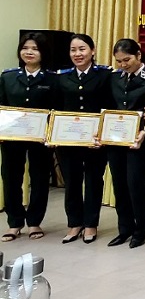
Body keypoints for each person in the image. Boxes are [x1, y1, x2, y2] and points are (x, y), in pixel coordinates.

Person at [107, 38, 145, 248]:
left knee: (136, 183)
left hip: (141, 140)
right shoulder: (114, 78)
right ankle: (124, 229)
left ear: (138, 55)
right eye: (119, 61)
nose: (123, 65)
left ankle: (140, 230)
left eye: (127, 60)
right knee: (119, 184)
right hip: (116, 139)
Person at [0, 32, 58, 241]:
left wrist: (52, 135)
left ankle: (34, 221)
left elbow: (56, 110)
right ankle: (14, 222)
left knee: (40, 179)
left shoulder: (53, 79)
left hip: (40, 139)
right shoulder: (8, 77)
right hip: (11, 138)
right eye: (25, 48)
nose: (29, 52)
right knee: (10, 178)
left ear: (43, 53)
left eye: (35, 48)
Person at [56, 33, 113, 244]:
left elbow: (110, 107)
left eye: (82, 49)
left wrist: (104, 134)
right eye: (73, 50)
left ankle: (90, 224)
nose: (77, 54)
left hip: (94, 140)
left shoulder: (105, 75)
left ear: (92, 50)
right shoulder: (61, 77)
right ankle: (74, 224)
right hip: (68, 140)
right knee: (71, 182)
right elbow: (55, 107)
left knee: (93, 181)